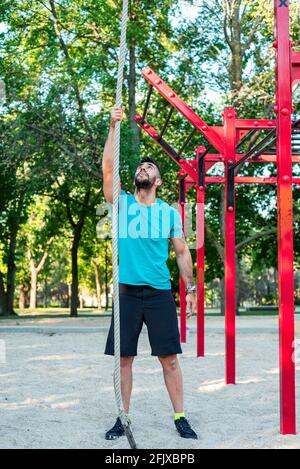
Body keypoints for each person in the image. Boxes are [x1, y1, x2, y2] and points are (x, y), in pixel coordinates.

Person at [103, 107, 198, 440]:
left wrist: (191, 290)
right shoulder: (123, 204)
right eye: (140, 166)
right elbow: (108, 167)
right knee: (123, 359)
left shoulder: (167, 212)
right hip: (127, 293)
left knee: (169, 359)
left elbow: (183, 251)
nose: (143, 167)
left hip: (158, 293)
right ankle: (122, 417)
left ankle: (180, 416)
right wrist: (114, 127)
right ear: (136, 180)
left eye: (150, 167)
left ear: (157, 181)